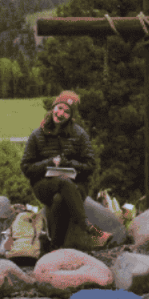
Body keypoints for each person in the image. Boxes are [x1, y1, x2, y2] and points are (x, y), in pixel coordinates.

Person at [21, 90, 96, 251]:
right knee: (61, 184)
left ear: (71, 116)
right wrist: (49, 163)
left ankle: (55, 246)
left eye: (67, 112)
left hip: (77, 185)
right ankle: (88, 228)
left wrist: (69, 164)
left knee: (59, 199)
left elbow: (90, 166)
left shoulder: (79, 134)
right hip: (44, 185)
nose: (61, 114)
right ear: (53, 107)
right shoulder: (37, 135)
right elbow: (26, 167)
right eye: (59, 108)